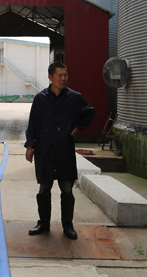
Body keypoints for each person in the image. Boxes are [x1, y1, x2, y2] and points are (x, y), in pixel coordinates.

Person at [24, 62, 95, 240]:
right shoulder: (40, 99)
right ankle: (43, 223)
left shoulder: (74, 98)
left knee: (67, 190)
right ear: (50, 77)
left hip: (65, 151)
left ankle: (68, 226)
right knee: (44, 189)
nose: (63, 78)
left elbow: (90, 112)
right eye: (59, 75)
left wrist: (78, 126)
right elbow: (32, 123)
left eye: (65, 75)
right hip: (45, 150)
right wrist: (30, 146)